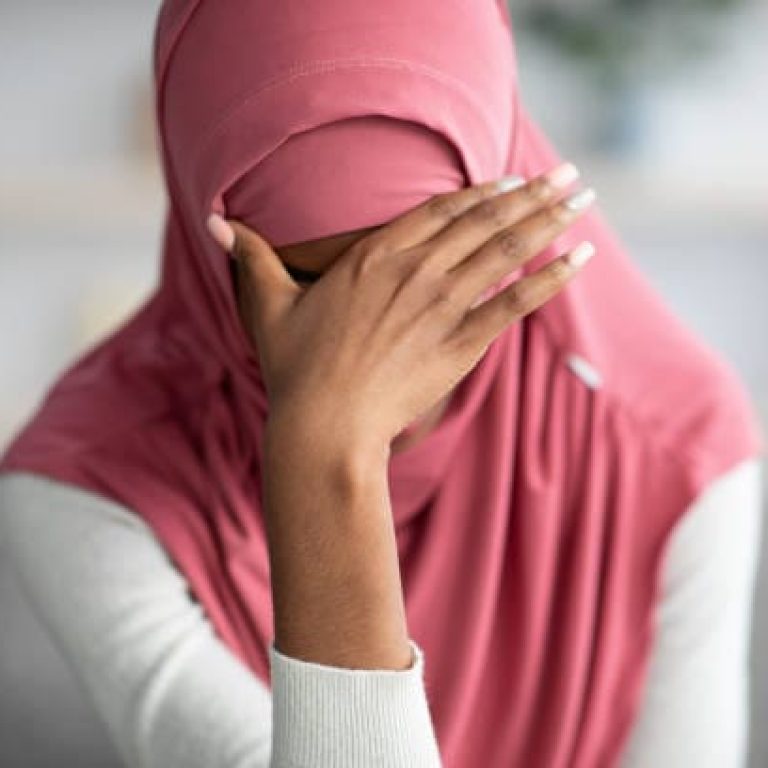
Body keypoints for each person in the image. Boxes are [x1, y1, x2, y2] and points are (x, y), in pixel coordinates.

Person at [0, 2, 763, 767]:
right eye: (311, 290)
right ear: (214, 257)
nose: (378, 360)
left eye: (438, 277)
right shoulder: (89, 488)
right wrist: (325, 457)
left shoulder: (673, 450)